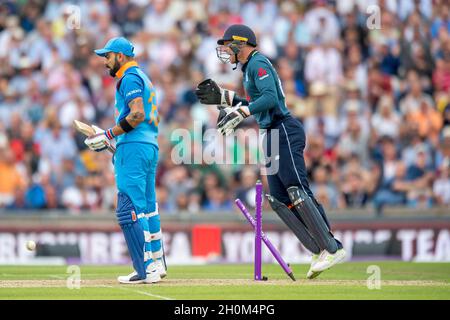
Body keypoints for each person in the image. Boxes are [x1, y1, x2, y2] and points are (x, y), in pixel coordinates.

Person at [195, 25, 346, 279]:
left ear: (239, 44)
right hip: (271, 133)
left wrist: (242, 112)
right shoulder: (248, 69)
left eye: (227, 44)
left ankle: (332, 247)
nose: (224, 50)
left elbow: (270, 99)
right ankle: (318, 249)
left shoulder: (258, 62)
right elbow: (258, 104)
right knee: (278, 198)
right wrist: (226, 97)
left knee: (296, 189)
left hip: (284, 128)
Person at [84, 37, 166, 284]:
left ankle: (145, 269)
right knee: (149, 207)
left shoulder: (129, 78)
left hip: (134, 147)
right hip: (149, 145)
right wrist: (113, 140)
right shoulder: (143, 77)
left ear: (120, 56)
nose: (105, 61)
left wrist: (108, 134)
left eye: (107, 56)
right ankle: (157, 263)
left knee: (129, 208)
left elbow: (137, 114)